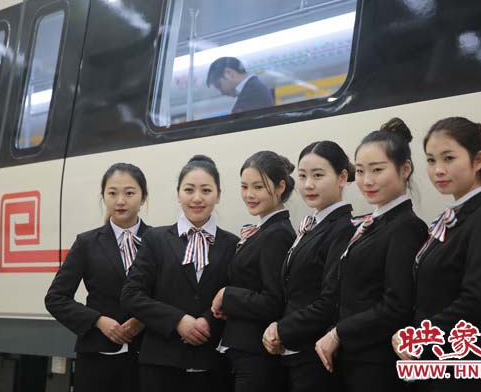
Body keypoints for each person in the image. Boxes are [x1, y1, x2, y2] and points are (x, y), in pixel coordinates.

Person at [392, 117, 481, 392]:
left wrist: (420, 336)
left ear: (478, 160)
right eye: (431, 160)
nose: (438, 170)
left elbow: (477, 302)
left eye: (448, 158)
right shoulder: (454, 218)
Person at [315, 119, 427, 392]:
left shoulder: (405, 226)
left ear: (405, 169)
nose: (367, 181)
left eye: (377, 170)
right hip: (356, 358)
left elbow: (396, 305)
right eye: (361, 171)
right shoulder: (374, 223)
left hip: (378, 362)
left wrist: (338, 333)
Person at [120, 155, 239, 392]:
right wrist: (177, 320)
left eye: (206, 190)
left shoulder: (233, 244)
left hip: (212, 364)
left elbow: (234, 296)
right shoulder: (155, 239)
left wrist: (208, 321)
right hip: (160, 365)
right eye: (189, 190)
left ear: (218, 195)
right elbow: (131, 295)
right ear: (178, 194)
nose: (197, 198)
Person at [45, 162, 150, 392]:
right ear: (103, 197)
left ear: (143, 197)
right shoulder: (87, 243)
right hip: (97, 359)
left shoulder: (159, 240)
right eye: (112, 193)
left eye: (129, 193)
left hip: (146, 356)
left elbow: (169, 294)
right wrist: (98, 321)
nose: (120, 201)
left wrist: (143, 320)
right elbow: (56, 298)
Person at [262, 141, 357, 392]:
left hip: (317, 354)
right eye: (303, 176)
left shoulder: (343, 228)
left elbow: (330, 300)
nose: (308, 185)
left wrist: (282, 329)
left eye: (318, 175)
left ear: (342, 177)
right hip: (295, 352)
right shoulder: (314, 224)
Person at [210, 151, 296, 392]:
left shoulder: (277, 233)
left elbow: (273, 301)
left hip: (257, 354)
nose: (249, 194)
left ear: (280, 187)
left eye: (258, 187)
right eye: (244, 186)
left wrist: (227, 295)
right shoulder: (265, 230)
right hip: (244, 351)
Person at [206, 56, 274, 114]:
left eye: (219, 86)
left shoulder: (252, 92)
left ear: (229, 73)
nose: (221, 92)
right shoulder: (253, 87)